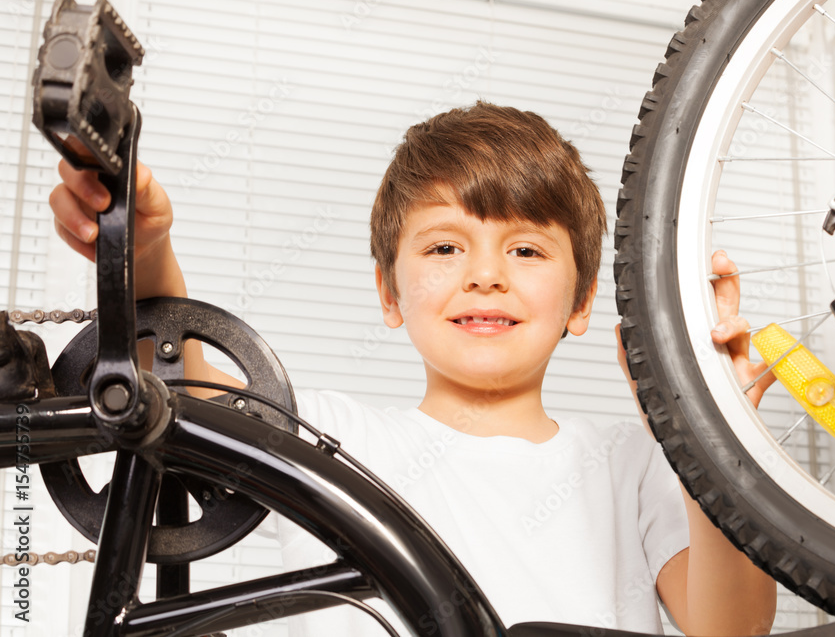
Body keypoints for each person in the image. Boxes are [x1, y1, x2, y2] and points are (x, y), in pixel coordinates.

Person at [49, 101, 776, 635]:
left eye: (525, 250)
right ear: (388, 294)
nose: (485, 274)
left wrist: (704, 426)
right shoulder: (328, 434)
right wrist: (142, 248)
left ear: (581, 298)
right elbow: (179, 398)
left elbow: (731, 628)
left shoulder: (634, 462)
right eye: (443, 248)